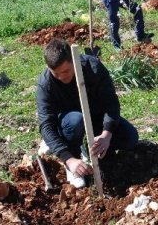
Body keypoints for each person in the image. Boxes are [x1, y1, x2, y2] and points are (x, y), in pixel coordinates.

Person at [36, 38, 139, 188]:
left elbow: (111, 103)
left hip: (96, 117)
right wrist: (68, 159)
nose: (62, 77)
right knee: (76, 120)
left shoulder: (93, 68)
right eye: (56, 73)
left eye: (66, 71)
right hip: (69, 122)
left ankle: (94, 149)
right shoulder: (46, 84)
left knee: (130, 138)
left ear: (74, 60)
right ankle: (72, 157)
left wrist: (106, 134)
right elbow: (46, 125)